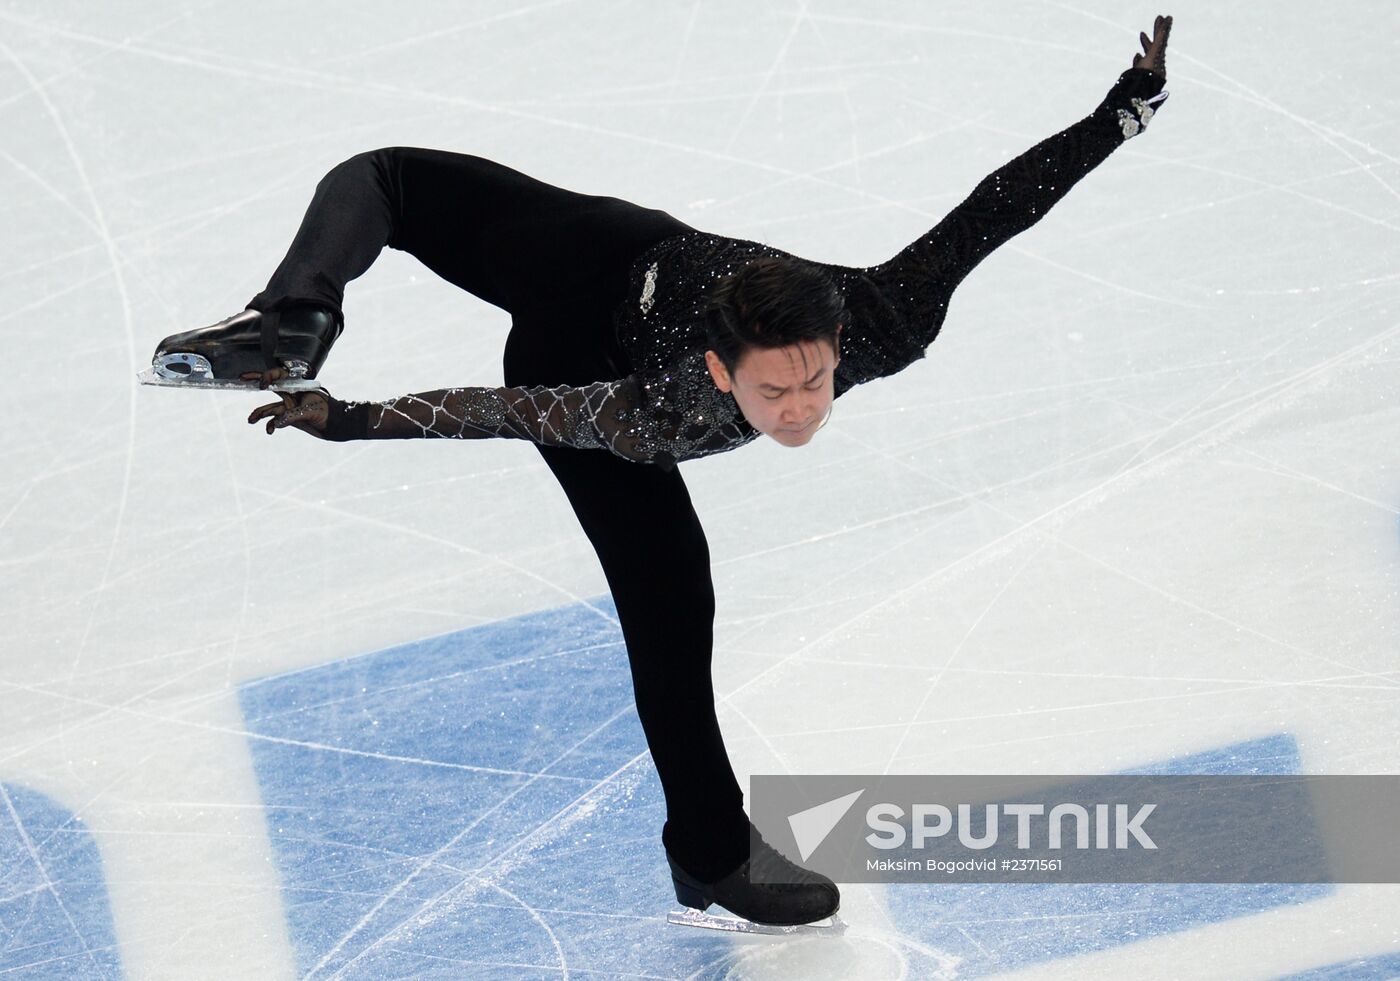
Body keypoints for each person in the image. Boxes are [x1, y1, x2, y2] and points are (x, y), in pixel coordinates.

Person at [151, 16, 1173, 927]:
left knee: (671, 599)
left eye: (815, 383)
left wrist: (1119, 113)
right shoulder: (650, 414)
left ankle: (702, 855)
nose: (800, 409)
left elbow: (994, 210)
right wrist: (355, 418)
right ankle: (293, 319)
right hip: (579, 285)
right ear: (720, 371)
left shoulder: (878, 318)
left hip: (643, 279)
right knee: (389, 181)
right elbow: (504, 410)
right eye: (773, 394)